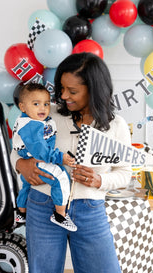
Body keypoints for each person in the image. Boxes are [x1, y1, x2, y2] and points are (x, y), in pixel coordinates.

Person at [10, 52, 132, 273]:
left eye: (73, 91)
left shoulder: (116, 125)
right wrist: (22, 165)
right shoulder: (47, 114)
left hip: (90, 210)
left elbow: (125, 172)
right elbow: (16, 150)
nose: (64, 95)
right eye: (61, 88)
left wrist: (100, 179)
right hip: (42, 205)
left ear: (94, 89)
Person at [12, 82, 77, 231]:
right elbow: (41, 151)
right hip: (36, 158)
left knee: (26, 184)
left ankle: (21, 212)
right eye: (36, 104)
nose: (43, 108)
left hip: (32, 157)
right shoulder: (31, 125)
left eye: (46, 104)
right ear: (23, 107)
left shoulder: (36, 119)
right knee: (60, 176)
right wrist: (60, 158)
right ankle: (60, 215)